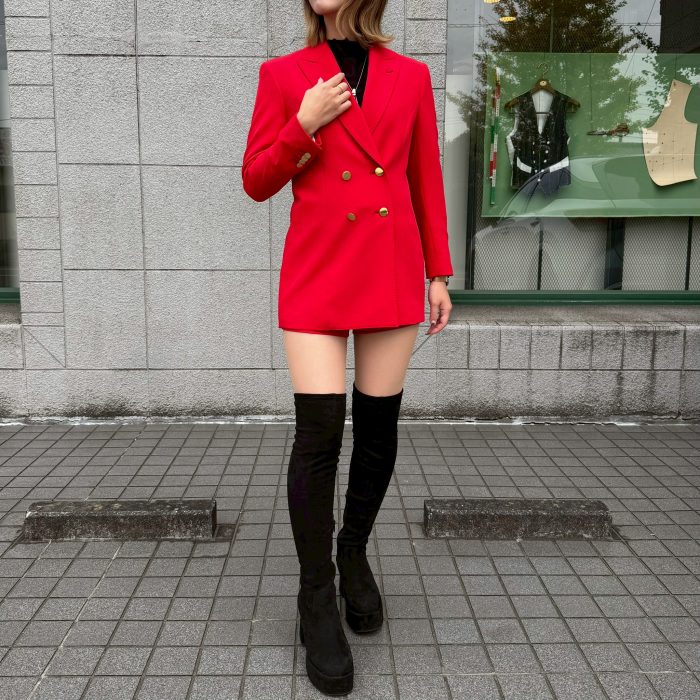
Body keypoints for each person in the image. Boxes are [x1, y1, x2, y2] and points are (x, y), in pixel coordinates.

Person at [242, 0, 453, 695]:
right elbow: (256, 180)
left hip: (391, 262)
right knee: (319, 433)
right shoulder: (283, 75)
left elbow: (424, 175)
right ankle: (316, 594)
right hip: (318, 267)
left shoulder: (410, 76)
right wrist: (302, 124)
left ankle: (353, 551)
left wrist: (439, 271)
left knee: (379, 428)